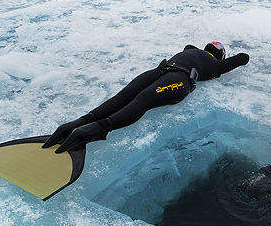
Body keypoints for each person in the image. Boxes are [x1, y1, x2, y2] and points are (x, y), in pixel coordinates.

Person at [43, 41, 250, 154]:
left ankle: (76, 124)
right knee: (142, 101)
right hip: (179, 80)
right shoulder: (215, 65)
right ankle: (91, 131)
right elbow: (243, 58)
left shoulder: (190, 51)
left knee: (124, 96)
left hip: (158, 71)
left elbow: (188, 46)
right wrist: (218, 67)